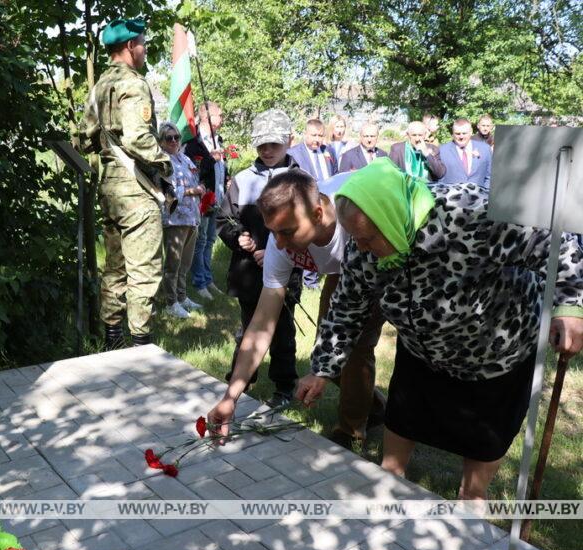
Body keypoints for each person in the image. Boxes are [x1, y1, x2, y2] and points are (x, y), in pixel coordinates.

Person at [294, 157, 583, 500]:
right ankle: (390, 489)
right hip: (421, 352)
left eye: (368, 238)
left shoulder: (471, 211)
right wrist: (322, 369)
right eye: (355, 239)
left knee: (480, 449)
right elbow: (346, 308)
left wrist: (569, 307)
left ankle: (472, 498)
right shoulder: (364, 249)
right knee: (400, 434)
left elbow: (557, 243)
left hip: (493, 350)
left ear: (392, 217)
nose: (360, 248)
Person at [207, 170, 386, 449]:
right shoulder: (281, 242)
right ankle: (374, 406)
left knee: (354, 348)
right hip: (341, 270)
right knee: (325, 353)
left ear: (317, 214)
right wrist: (230, 397)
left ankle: (351, 431)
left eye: (286, 232)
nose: (277, 244)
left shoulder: (356, 219)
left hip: (379, 258)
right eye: (273, 232)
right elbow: (262, 323)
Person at [82, 18, 172, 349]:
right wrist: (165, 165)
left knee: (115, 269)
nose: (146, 50)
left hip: (110, 189)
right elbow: (136, 137)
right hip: (137, 189)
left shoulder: (99, 86)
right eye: (143, 44)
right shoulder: (133, 83)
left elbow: (82, 138)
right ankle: (140, 348)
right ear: (131, 46)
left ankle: (112, 340)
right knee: (144, 273)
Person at [217, 109, 301, 408]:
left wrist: (280, 252)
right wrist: (237, 236)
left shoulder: (300, 181)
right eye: (262, 145)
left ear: (288, 142)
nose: (267, 151)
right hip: (248, 271)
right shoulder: (242, 179)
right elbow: (224, 219)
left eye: (274, 145)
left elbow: (306, 228)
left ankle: (284, 385)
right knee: (249, 327)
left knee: (282, 332)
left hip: (285, 271)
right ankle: (241, 380)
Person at [158, 122, 204, 319]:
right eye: (169, 138)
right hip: (175, 218)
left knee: (185, 262)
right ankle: (171, 302)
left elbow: (195, 180)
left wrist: (200, 187)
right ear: (161, 141)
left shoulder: (184, 158)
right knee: (173, 264)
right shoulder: (162, 161)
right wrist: (191, 191)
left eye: (176, 136)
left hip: (192, 217)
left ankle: (182, 296)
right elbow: (164, 191)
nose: (174, 141)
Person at [184, 101, 227, 300]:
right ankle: (199, 282)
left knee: (210, 240)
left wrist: (227, 178)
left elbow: (221, 167)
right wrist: (211, 159)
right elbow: (192, 171)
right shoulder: (193, 143)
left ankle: (208, 279)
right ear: (206, 118)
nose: (222, 118)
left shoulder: (219, 139)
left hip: (217, 198)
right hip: (202, 199)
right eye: (219, 115)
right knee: (200, 241)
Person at [289, 119, 337, 288]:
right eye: (313, 135)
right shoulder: (294, 153)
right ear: (305, 134)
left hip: (327, 203)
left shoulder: (328, 151)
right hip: (305, 203)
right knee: (309, 240)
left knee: (323, 238)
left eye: (320, 135)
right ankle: (309, 280)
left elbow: (335, 173)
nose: (317, 139)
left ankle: (326, 271)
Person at [438, 118, 493, 188]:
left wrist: (485, 194)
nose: (461, 136)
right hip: (452, 197)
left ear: (471, 132)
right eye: (457, 134)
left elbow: (489, 176)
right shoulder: (442, 150)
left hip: (479, 196)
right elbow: (440, 179)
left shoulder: (485, 149)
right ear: (453, 134)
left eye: (464, 133)